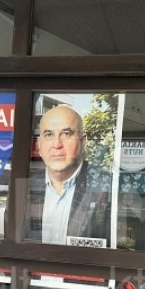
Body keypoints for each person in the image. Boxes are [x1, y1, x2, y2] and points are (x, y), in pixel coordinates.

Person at [26, 105, 111, 246]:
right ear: (39, 146)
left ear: (83, 141)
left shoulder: (106, 187)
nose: (56, 144)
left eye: (66, 133)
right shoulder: (25, 187)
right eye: (49, 135)